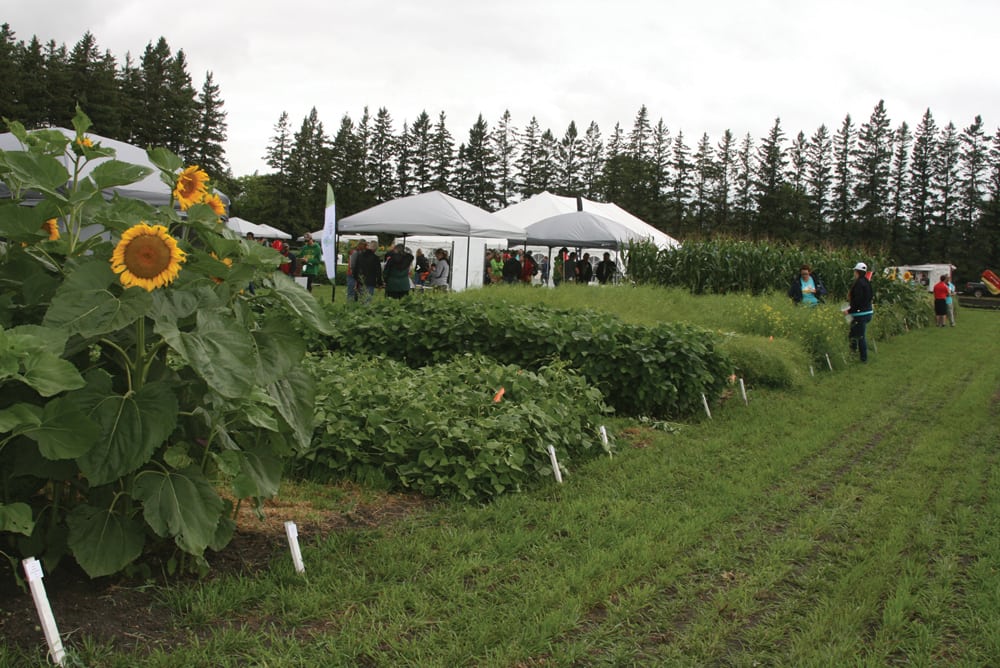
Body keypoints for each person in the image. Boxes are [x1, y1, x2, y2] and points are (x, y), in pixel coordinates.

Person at [847, 262, 874, 363]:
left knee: (859, 336)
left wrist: (849, 310)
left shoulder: (858, 283)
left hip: (859, 314)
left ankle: (863, 359)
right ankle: (853, 354)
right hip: (868, 312)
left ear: (857, 272)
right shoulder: (867, 282)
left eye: (855, 271)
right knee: (853, 334)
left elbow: (858, 300)